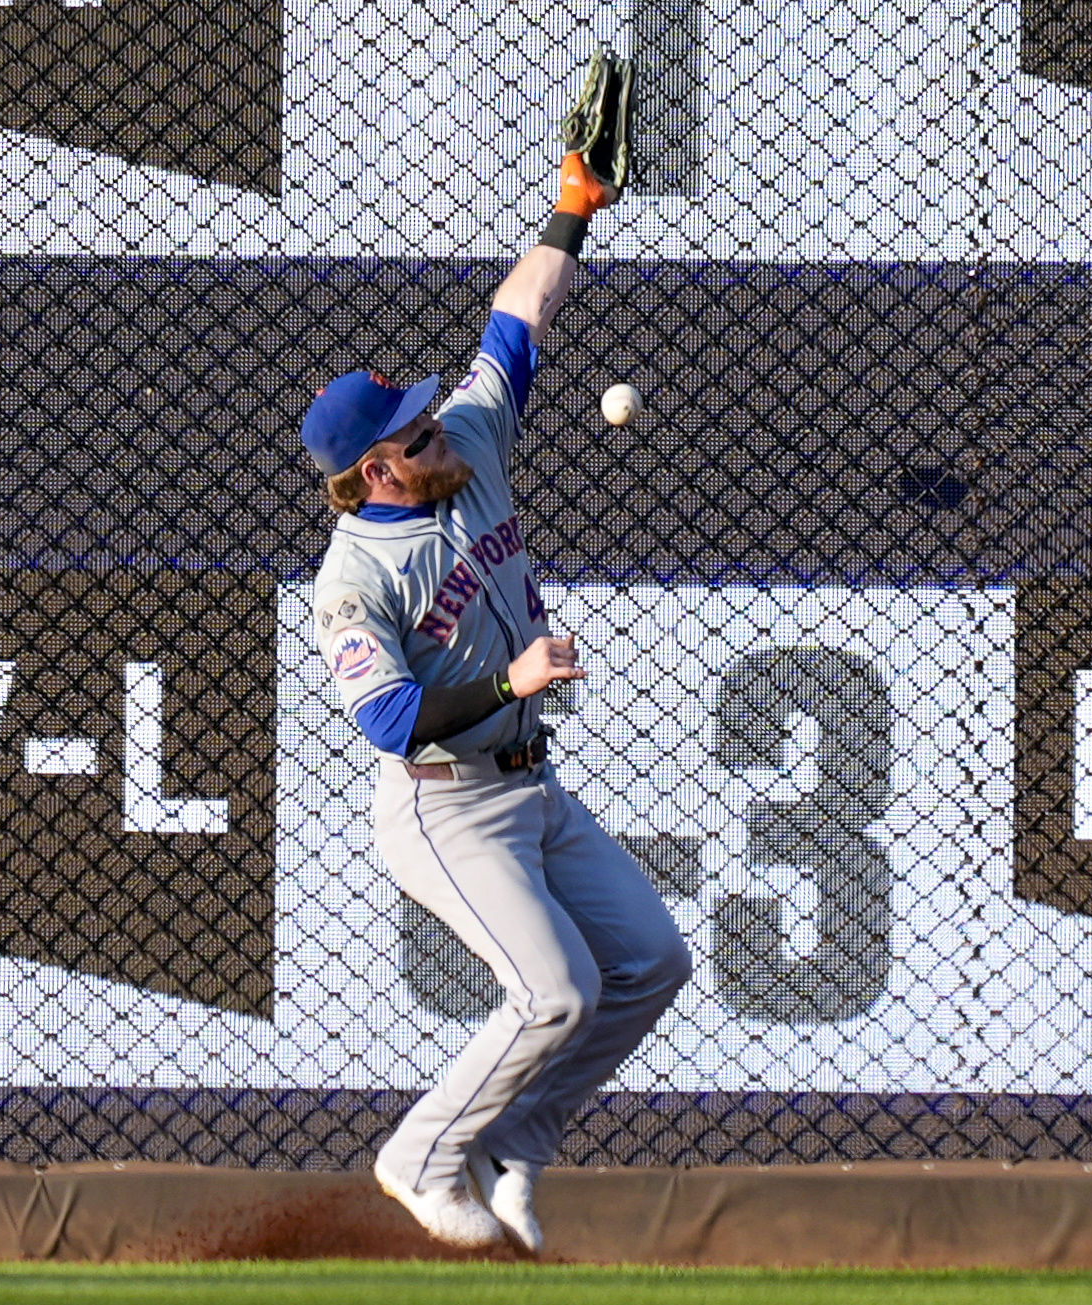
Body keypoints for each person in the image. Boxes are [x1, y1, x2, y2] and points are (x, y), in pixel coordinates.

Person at [298, 150, 692, 1254]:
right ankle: (419, 1160)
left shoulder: (467, 445)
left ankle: (515, 1147)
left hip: (532, 790)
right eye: (413, 434)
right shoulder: (353, 584)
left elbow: (516, 317)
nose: (438, 430)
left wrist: (573, 209)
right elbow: (385, 722)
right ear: (377, 471)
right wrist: (508, 681)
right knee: (554, 993)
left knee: (652, 962)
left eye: (428, 419)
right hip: (444, 805)